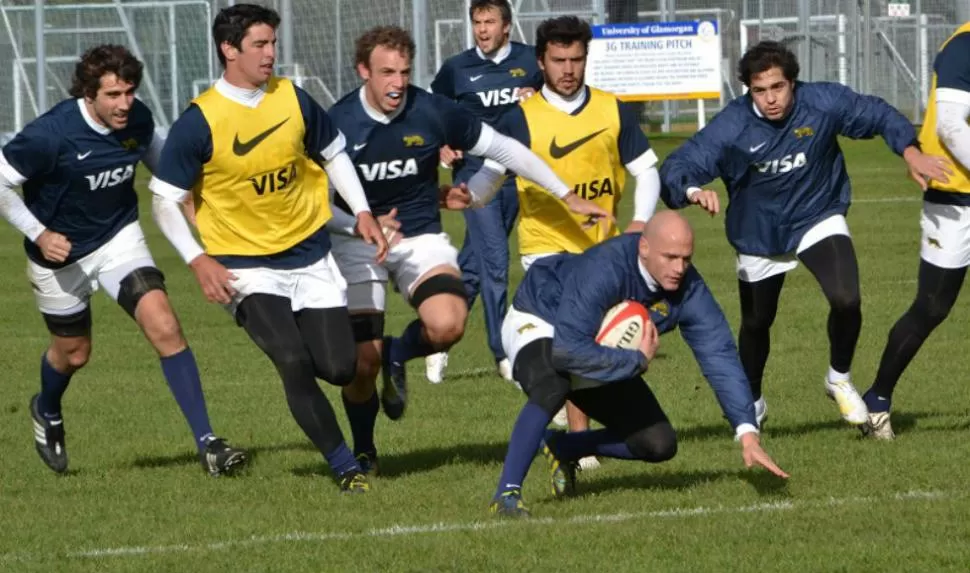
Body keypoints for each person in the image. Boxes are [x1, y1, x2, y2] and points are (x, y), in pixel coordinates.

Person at [324, 25, 609, 474]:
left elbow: (506, 150)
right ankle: (365, 449)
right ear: (363, 71)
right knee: (362, 363)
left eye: (404, 71)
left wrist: (566, 194)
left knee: (449, 324)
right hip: (356, 245)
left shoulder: (432, 111)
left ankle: (398, 353)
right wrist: (359, 223)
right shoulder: (337, 123)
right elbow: (309, 204)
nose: (398, 82)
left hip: (418, 237)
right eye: (386, 73)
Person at [147, 4, 387, 493]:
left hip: (311, 255)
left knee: (342, 368)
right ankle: (346, 467)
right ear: (228, 49)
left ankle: (354, 422)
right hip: (245, 268)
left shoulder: (292, 98)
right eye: (259, 44)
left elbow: (334, 153)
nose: (270, 53)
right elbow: (163, 201)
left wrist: (361, 210)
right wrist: (198, 259)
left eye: (273, 43)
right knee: (293, 361)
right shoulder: (201, 121)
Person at [659, 41, 950, 428]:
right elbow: (678, 166)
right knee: (757, 323)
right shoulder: (732, 125)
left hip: (817, 214)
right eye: (759, 91)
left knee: (847, 299)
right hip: (759, 230)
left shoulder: (823, 101)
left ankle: (839, 378)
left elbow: (876, 113)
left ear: (793, 82)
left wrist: (910, 151)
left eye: (777, 87)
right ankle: (754, 401)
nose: (770, 99)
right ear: (748, 90)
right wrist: (693, 190)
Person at [0, 44, 247, 476]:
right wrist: (39, 233)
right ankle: (47, 408)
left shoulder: (139, 119)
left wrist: (195, 212)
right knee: (74, 354)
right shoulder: (51, 134)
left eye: (129, 92)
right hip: (60, 257)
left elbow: (167, 172)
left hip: (118, 238)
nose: (124, 104)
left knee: (165, 325)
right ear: (88, 94)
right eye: (113, 95)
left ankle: (208, 443)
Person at [490, 211, 789, 517]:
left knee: (658, 443)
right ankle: (506, 495)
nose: (679, 268)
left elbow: (719, 352)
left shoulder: (689, 288)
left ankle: (563, 447)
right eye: (670, 257)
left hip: (596, 344)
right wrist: (633, 361)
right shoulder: (605, 268)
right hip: (541, 318)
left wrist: (747, 432)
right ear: (643, 248)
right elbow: (566, 352)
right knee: (553, 383)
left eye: (686, 258)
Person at [465, 15, 661, 471]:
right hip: (546, 251)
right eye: (558, 60)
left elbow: (646, 169)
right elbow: (493, 174)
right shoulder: (521, 117)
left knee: (590, 342)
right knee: (572, 340)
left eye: (576, 59)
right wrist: (466, 194)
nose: (568, 69)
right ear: (541, 61)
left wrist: (639, 224)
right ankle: (575, 438)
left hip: (605, 250)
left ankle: (575, 437)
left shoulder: (612, 109)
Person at [424, 0, 544, 384]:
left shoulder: (532, 63)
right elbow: (430, 111)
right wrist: (441, 142)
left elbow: (558, 95)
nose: (482, 29)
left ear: (506, 26)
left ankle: (437, 343)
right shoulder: (457, 69)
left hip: (516, 176)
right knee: (495, 264)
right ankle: (502, 351)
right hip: (474, 175)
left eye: (489, 22)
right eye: (477, 22)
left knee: (473, 269)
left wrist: (537, 98)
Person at [860, 22, 967, 439]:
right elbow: (950, 128)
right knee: (933, 307)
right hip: (956, 200)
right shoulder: (964, 46)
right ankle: (878, 400)